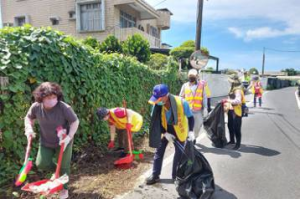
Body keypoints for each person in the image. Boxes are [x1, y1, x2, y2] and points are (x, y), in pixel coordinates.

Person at [24, 82, 79, 199]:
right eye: (48, 98)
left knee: (64, 167)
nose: (52, 100)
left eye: (54, 97)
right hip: (46, 141)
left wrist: (69, 137)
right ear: (41, 97)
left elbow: (75, 121)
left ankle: (64, 189)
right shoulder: (36, 107)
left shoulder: (64, 108)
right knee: (41, 163)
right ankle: (58, 172)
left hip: (64, 141)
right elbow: (28, 117)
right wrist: (28, 128)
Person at [146, 84, 194, 185]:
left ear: (165, 96)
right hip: (165, 129)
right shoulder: (157, 105)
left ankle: (175, 176)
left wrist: (191, 131)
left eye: (158, 99)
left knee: (179, 154)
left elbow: (190, 117)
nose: (156, 101)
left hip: (179, 130)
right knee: (159, 152)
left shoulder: (181, 102)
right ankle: (155, 175)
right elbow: (156, 121)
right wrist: (165, 133)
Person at [179, 69, 208, 144]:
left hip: (198, 111)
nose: (191, 77)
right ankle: (189, 140)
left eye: (193, 76)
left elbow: (204, 97)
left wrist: (205, 108)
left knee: (197, 127)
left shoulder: (201, 86)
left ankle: (195, 137)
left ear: (196, 77)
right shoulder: (185, 85)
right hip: (188, 111)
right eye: (190, 76)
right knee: (188, 127)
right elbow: (181, 97)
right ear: (188, 76)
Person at [223, 74, 245, 150]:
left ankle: (238, 144)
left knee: (237, 128)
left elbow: (238, 101)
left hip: (237, 111)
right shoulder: (232, 89)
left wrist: (227, 100)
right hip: (231, 110)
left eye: (230, 81)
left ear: (233, 82)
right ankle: (232, 140)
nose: (229, 82)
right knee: (230, 126)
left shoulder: (238, 90)